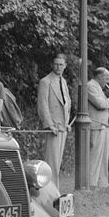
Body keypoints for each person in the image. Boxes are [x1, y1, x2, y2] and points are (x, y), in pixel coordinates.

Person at [37, 53, 71, 184]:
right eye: (56, 64)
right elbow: (42, 104)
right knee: (51, 161)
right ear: (52, 65)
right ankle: (50, 190)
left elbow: (67, 103)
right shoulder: (45, 81)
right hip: (53, 128)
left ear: (65, 66)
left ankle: (55, 189)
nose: (58, 67)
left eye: (61, 64)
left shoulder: (63, 81)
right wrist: (49, 124)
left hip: (62, 127)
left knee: (57, 161)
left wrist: (67, 123)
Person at [87, 67, 109, 190]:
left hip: (103, 126)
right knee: (94, 157)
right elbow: (100, 104)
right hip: (96, 127)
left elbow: (104, 104)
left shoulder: (98, 87)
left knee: (103, 157)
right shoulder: (90, 86)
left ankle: (100, 184)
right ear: (99, 77)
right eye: (106, 78)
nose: (107, 81)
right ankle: (91, 184)